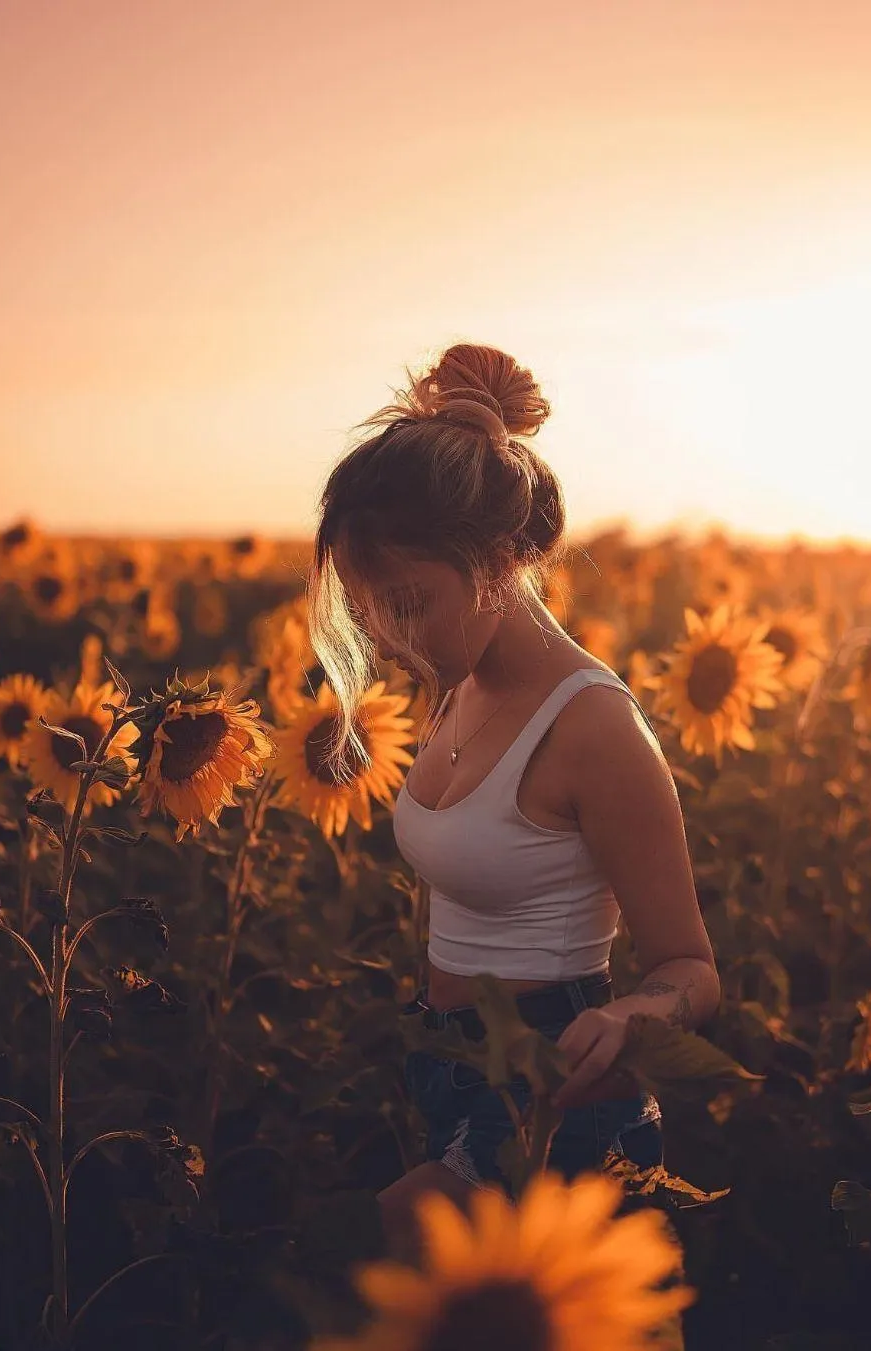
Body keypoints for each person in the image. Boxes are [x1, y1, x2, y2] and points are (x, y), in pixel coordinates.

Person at [305, 341, 720, 1262]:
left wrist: (622, 1019)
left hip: (553, 1083)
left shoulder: (594, 727)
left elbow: (691, 966)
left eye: (409, 603)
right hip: (450, 1063)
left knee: (376, 1259)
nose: (392, 637)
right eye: (372, 612)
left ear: (498, 558)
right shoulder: (464, 682)